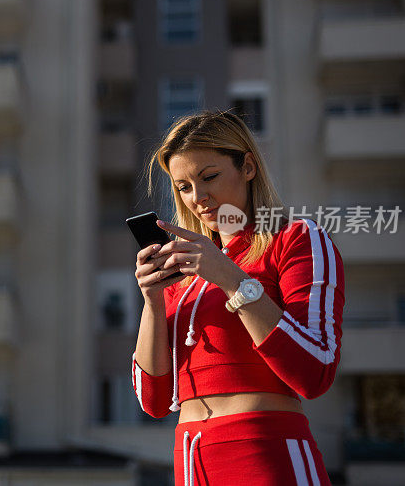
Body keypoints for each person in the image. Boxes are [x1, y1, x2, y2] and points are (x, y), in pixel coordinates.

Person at [131, 111, 344, 485]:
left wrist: (231, 278)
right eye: (182, 187)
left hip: (268, 453)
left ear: (248, 166)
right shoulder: (184, 271)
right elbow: (154, 400)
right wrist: (151, 299)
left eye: (209, 177)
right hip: (192, 461)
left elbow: (315, 372)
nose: (198, 198)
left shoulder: (295, 238)